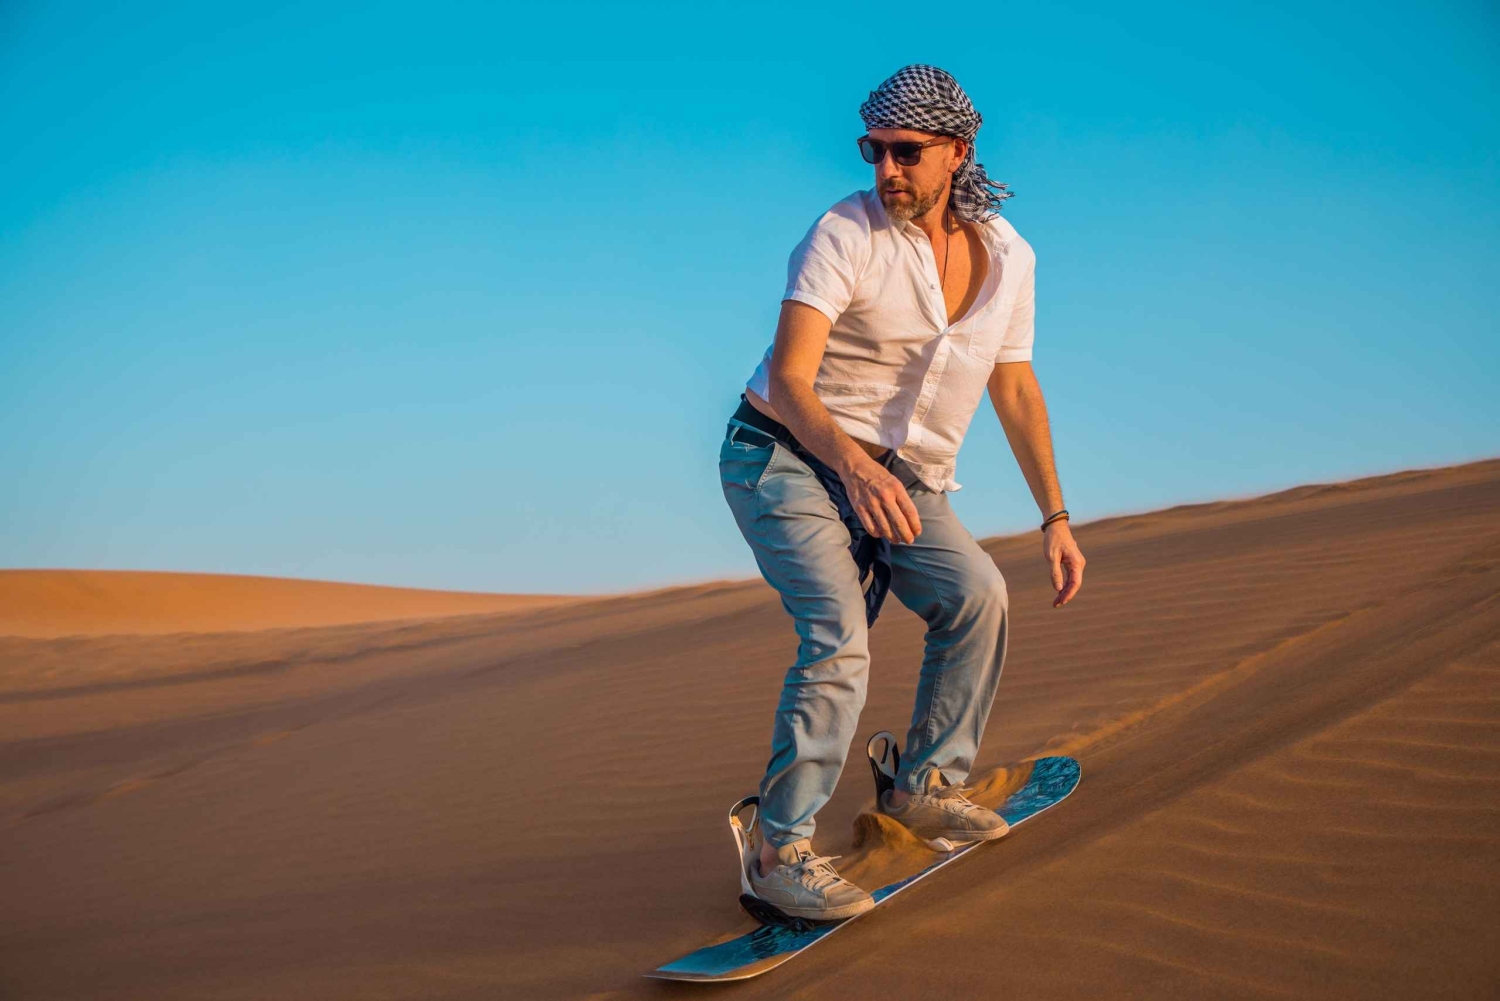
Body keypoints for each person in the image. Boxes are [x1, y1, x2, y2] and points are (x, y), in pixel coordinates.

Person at [717, 64, 1087, 921]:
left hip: (902, 475)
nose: (886, 169)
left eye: (907, 152)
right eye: (873, 149)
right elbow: (793, 380)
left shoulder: (1010, 256)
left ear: (957, 150)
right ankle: (779, 851)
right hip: (783, 455)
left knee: (979, 595)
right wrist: (854, 469)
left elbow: (1016, 387)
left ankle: (923, 785)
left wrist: (1056, 518)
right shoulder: (843, 234)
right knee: (838, 634)